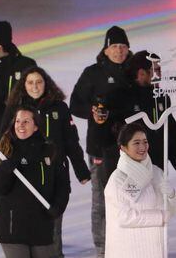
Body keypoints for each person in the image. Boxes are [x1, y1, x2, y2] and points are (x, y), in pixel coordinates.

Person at [0, 66, 90, 257]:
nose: (35, 86)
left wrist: (81, 171)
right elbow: (3, 140)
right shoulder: (14, 109)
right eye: (30, 82)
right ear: (23, 86)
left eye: (39, 82)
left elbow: (71, 141)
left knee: (52, 229)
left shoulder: (59, 108)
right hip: (22, 178)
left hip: (52, 176)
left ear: (46, 84)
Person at [69, 25, 132, 257]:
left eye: (123, 46)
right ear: (105, 50)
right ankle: (103, 249)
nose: (119, 50)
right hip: (100, 147)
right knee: (102, 200)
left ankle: (128, 244)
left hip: (132, 148)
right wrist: (93, 112)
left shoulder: (135, 72)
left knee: (132, 195)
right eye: (114, 46)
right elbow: (74, 104)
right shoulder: (92, 73)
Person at [0, 105, 70, 258]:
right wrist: (5, 171)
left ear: (35, 127)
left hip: (42, 225)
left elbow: (63, 185)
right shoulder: (4, 151)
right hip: (12, 227)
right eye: (18, 121)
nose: (20, 125)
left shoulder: (50, 150)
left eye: (26, 121)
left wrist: (58, 206)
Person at [101, 50, 176, 181]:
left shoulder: (161, 98)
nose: (160, 75)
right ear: (141, 73)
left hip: (157, 171)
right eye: (156, 71)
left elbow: (172, 135)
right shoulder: (118, 97)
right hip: (129, 175)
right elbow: (107, 138)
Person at [105, 123, 176, 258]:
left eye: (145, 142)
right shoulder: (117, 180)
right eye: (136, 143)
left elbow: (170, 212)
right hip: (129, 249)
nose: (142, 147)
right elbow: (124, 217)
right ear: (124, 147)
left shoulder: (156, 172)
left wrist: (172, 196)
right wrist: (159, 217)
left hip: (156, 248)